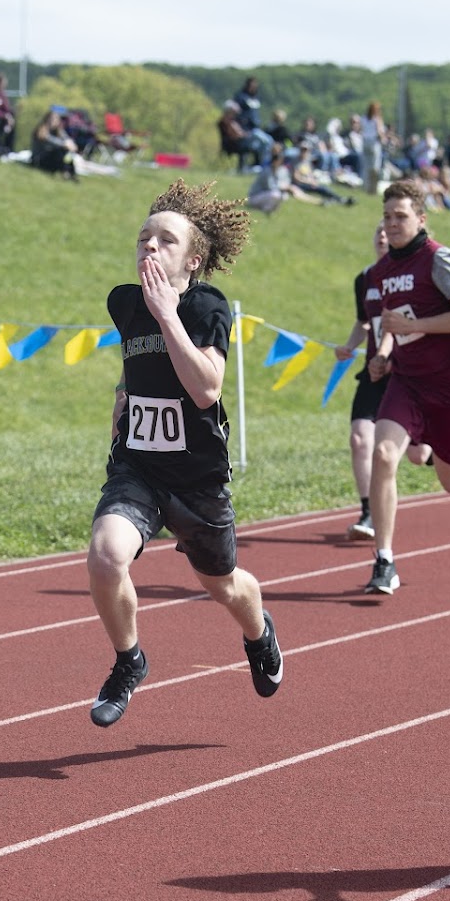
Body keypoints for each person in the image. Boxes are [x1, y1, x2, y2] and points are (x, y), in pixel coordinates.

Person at [85, 178, 283, 726]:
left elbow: (206, 390)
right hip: (139, 466)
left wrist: (168, 314)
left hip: (196, 478)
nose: (149, 245)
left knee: (223, 585)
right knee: (105, 555)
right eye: (143, 238)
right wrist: (122, 399)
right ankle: (129, 660)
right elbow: (135, 364)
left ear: (193, 260)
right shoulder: (124, 303)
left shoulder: (205, 307)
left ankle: (259, 632)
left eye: (166, 240)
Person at [363, 179, 450, 596]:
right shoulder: (382, 271)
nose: (391, 224)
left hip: (448, 383)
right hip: (406, 380)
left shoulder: (439, 260)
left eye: (400, 216)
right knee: (383, 454)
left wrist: (416, 325)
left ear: (421, 219)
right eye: (386, 217)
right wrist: (383, 355)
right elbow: (392, 323)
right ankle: (384, 560)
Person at [334, 223, 432, 540]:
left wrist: (387, 355)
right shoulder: (364, 279)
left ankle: (445, 451)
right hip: (374, 372)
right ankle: (369, 511)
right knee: (360, 439)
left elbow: (398, 324)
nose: (382, 236)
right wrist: (349, 346)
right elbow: (364, 322)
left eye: (388, 231)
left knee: (418, 456)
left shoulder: (408, 277)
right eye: (378, 231)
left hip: (407, 372)